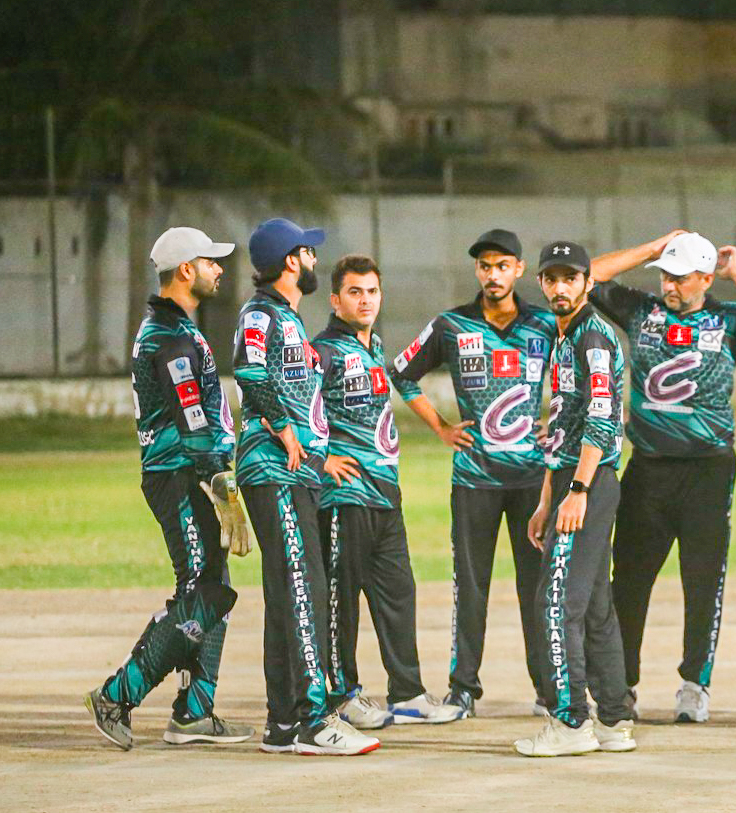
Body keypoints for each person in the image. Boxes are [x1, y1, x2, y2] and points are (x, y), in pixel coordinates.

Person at [589, 231, 736, 723]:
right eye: (665, 275)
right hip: (648, 468)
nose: (669, 285)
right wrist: (651, 248)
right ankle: (623, 685)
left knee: (702, 582)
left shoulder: (727, 320)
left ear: (704, 278)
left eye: (679, 277)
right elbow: (587, 277)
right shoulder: (641, 311)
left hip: (709, 470)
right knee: (629, 582)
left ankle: (694, 684)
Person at [85, 227, 254, 750]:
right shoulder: (169, 337)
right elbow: (192, 419)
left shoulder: (173, 327)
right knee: (202, 591)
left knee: (212, 591)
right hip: (180, 475)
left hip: (187, 471)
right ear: (186, 270)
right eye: (210, 261)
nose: (219, 269)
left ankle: (195, 712)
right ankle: (117, 694)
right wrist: (222, 486)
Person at [390, 229, 556, 721]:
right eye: (485, 266)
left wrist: (559, 421)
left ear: (519, 270)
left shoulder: (545, 324)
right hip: (474, 479)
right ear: (477, 271)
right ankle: (463, 689)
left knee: (538, 587)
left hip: (533, 480)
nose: (493, 275)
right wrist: (441, 427)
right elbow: (400, 372)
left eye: (502, 265)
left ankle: (549, 690)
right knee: (471, 586)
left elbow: (579, 376)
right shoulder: (452, 325)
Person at [234, 218, 379, 756]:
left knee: (287, 594)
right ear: (291, 261)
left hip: (296, 472)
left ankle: (282, 722)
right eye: (308, 251)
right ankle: (314, 720)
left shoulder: (288, 317)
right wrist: (284, 426)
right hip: (274, 470)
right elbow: (249, 371)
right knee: (305, 589)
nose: (316, 259)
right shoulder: (261, 314)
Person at [312, 254, 444, 728]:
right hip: (344, 499)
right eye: (354, 292)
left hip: (385, 496)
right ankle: (341, 696)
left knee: (399, 593)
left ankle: (407, 693)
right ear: (335, 300)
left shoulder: (373, 347)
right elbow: (280, 406)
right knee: (341, 603)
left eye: (371, 291)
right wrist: (321, 460)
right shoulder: (322, 351)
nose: (365, 300)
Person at [513, 241, 634, 756]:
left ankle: (570, 722)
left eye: (571, 278)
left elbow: (603, 419)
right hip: (571, 478)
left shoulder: (593, 337)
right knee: (596, 607)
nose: (560, 287)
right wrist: (548, 497)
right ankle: (613, 719)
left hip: (589, 480)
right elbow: (564, 422)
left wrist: (578, 490)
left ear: (588, 282)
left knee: (556, 603)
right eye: (552, 278)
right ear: (541, 282)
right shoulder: (563, 337)